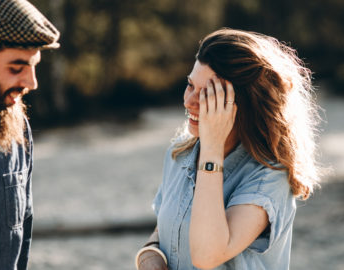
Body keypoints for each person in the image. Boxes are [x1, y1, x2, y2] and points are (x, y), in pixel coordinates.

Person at [135, 28, 322, 270]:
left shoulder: (268, 176)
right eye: (190, 85)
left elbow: (207, 255)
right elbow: (163, 231)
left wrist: (212, 150)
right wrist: (149, 258)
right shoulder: (180, 154)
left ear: (242, 105)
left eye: (206, 94)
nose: (188, 101)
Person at [0, 0, 60, 269]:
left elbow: (23, 235)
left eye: (34, 66)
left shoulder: (20, 132)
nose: (32, 83)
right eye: (16, 68)